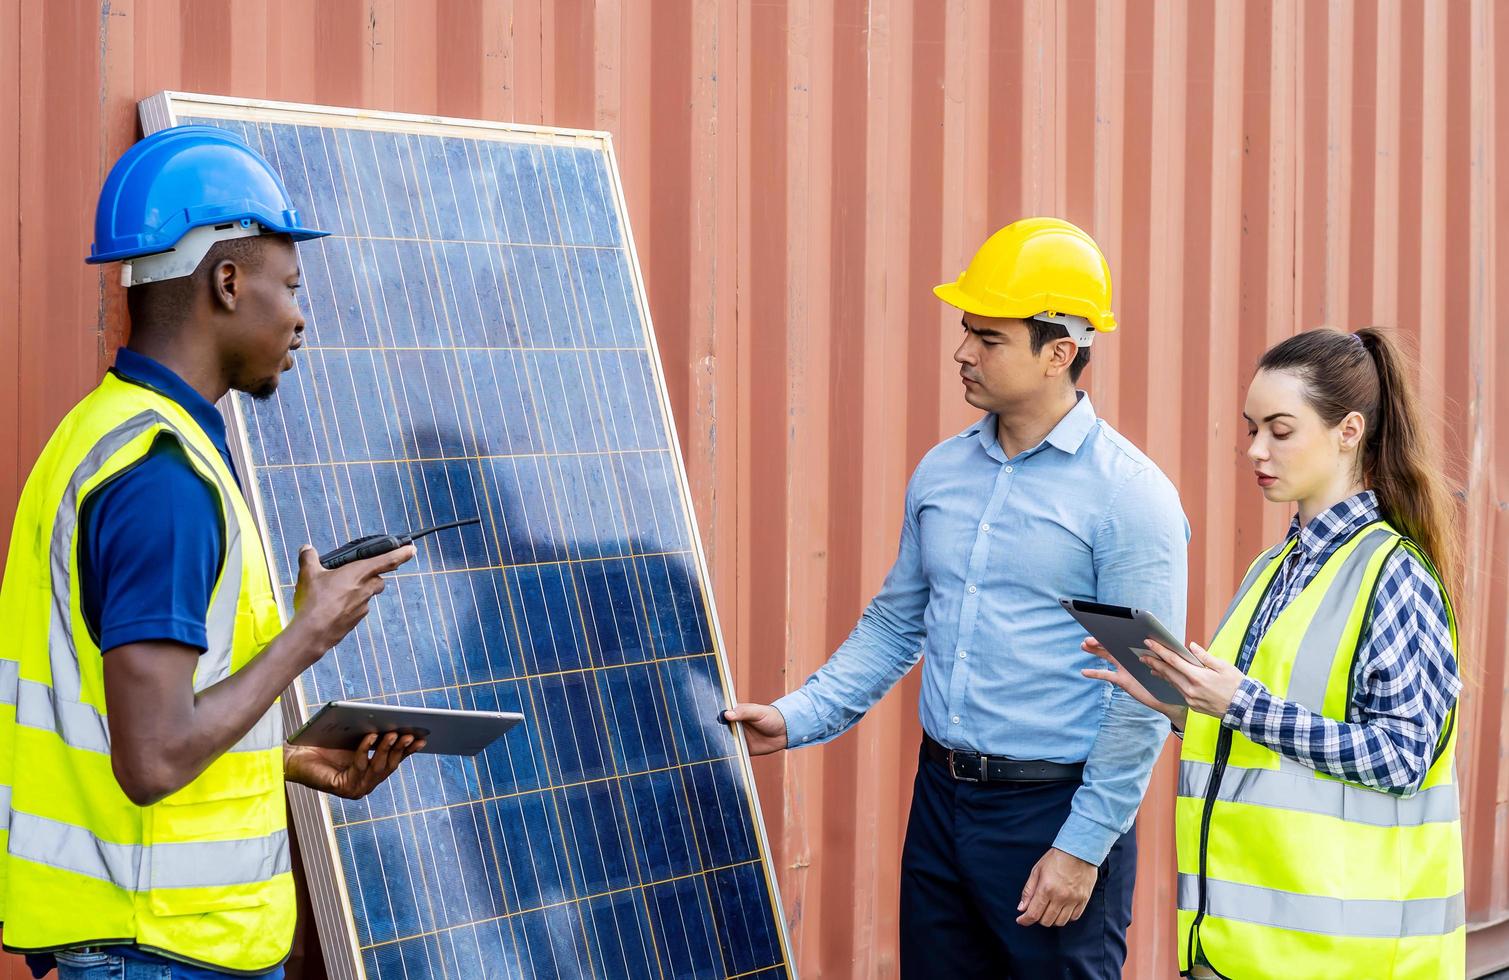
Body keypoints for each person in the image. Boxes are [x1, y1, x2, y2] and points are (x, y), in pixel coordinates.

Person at [0, 126, 425, 979]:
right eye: (292, 286)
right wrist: (309, 633)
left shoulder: (108, 435)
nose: (302, 315)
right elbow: (152, 757)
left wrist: (284, 760)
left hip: (147, 936)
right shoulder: (160, 479)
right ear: (227, 283)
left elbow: (126, 725)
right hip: (161, 952)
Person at [724, 217, 1189, 978]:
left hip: (1052, 815)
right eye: (966, 331)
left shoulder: (1127, 498)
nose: (962, 352)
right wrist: (797, 715)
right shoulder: (943, 473)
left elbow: (1148, 689)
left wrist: (1080, 847)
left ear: (1058, 354)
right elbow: (896, 623)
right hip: (940, 802)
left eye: (990, 337)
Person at [1083, 327, 1464, 979]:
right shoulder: (1273, 566)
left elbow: (1403, 757)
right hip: (1238, 950)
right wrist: (1185, 707)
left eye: (1279, 431)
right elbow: (1276, 737)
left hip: (1346, 961)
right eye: (1250, 428)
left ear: (1347, 431)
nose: (1255, 449)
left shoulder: (1392, 573)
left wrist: (1239, 703)